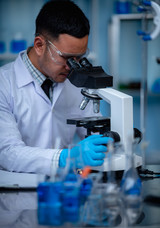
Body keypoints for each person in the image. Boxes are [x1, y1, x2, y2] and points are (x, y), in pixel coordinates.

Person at [0, 0, 111, 176]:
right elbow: (7, 153)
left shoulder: (75, 82)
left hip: (64, 188)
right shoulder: (3, 84)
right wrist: (65, 157)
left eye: (79, 58)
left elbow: (94, 132)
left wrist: (107, 141)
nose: (72, 66)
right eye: (66, 57)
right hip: (15, 191)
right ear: (39, 45)